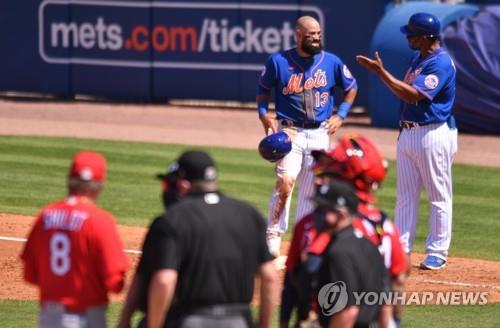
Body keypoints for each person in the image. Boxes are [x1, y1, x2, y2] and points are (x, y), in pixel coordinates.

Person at [119, 150, 278, 328]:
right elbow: (270, 277)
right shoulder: (249, 215)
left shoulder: (172, 219)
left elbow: (164, 281)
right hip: (239, 321)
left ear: (183, 185)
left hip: (189, 320)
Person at [356, 12, 458, 270]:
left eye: (411, 34)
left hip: (432, 134)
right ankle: (400, 248)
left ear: (425, 37)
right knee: (406, 196)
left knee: (438, 194)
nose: (408, 38)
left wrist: (381, 73)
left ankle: (437, 251)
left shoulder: (441, 63)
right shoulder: (419, 58)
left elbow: (413, 96)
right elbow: (406, 94)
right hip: (410, 133)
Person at [257, 15, 358, 256]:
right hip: (289, 132)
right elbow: (263, 90)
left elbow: (351, 87)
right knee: (285, 182)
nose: (315, 38)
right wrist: (263, 114)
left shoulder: (331, 62)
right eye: (311, 34)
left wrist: (341, 115)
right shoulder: (278, 61)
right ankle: (273, 235)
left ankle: (302, 238)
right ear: (299, 35)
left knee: (312, 190)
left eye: (318, 34)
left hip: (320, 132)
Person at [20, 151, 129, 328]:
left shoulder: (45, 216)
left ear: (69, 179)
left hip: (49, 318)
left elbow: (30, 275)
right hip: (87, 318)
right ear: (100, 184)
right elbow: (115, 283)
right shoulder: (100, 221)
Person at [311, 134, 408, 326]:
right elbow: (400, 276)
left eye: (334, 169)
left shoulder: (338, 222)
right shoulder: (385, 225)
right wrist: (393, 320)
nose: (326, 173)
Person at [312, 181, 388, 328]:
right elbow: (386, 301)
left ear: (341, 213)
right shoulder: (370, 245)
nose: (317, 214)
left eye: (323, 209)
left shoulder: (338, 251)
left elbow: (347, 311)